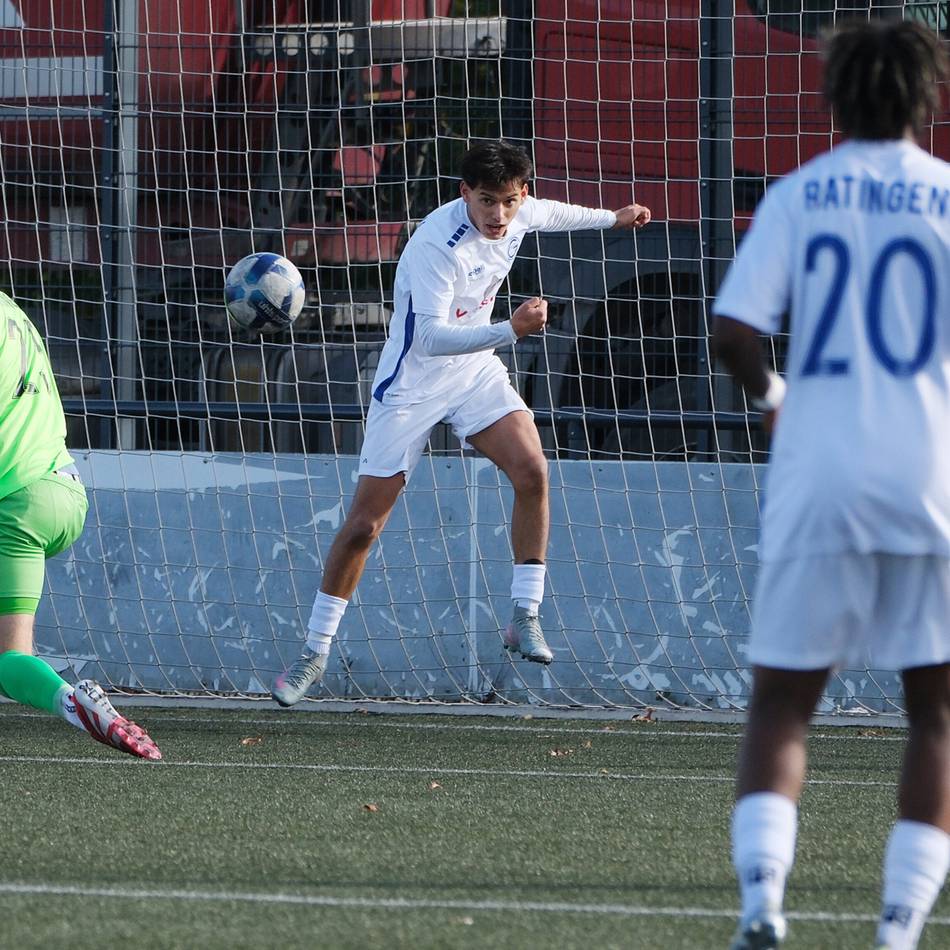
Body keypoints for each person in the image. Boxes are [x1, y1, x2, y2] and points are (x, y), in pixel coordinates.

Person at [711, 19, 950, 950]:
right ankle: (897, 931)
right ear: (928, 96)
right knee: (933, 716)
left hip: (821, 472)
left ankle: (764, 908)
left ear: (834, 96)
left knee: (781, 703)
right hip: (932, 474)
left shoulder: (800, 196)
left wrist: (776, 396)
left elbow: (732, 332)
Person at [272, 140, 651, 705]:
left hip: (472, 371)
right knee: (363, 528)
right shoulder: (436, 244)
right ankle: (314, 652)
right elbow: (429, 337)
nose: (500, 215)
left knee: (532, 470)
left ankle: (524, 614)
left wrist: (613, 218)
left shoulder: (520, 214)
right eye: (488, 202)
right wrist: (511, 331)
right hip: (412, 384)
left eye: (510, 201)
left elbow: (555, 214)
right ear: (463, 194)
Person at [0, 292, 161, 760]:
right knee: (13, 655)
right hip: (63, 491)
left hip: (17, 498)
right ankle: (82, 705)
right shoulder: (12, 310)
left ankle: (73, 702)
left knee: (11, 661)